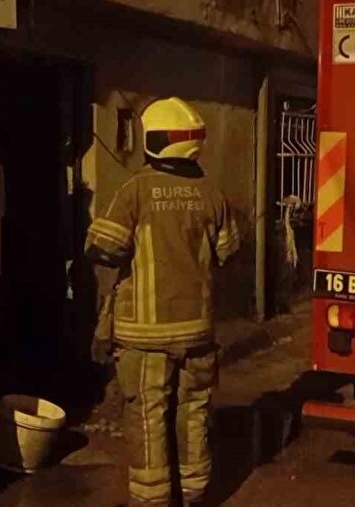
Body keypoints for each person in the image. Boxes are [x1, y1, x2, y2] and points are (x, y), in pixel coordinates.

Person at [85, 97, 241, 507]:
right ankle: (195, 491)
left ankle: (153, 499)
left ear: (154, 140)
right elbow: (228, 251)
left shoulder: (135, 190)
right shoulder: (212, 194)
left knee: (148, 416)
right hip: (198, 332)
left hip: (144, 335)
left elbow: (105, 249)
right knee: (194, 412)